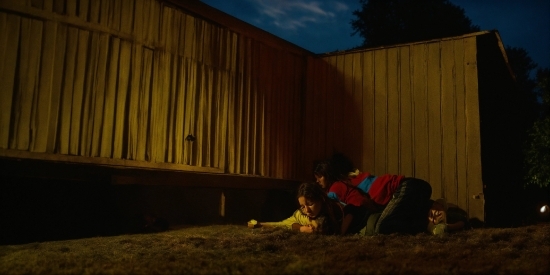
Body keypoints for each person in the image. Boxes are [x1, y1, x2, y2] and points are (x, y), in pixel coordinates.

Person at [314, 153, 434, 235]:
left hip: (406, 188)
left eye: (320, 177)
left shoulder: (338, 185)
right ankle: (437, 211)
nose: (317, 181)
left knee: (383, 226)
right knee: (400, 216)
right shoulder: (352, 179)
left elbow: (326, 203)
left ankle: (426, 225)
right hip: (415, 188)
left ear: (329, 175)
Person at [252, 182, 345, 235]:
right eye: (303, 206)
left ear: (321, 199)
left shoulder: (333, 209)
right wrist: (301, 228)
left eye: (310, 204)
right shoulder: (302, 213)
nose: (307, 210)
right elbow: (285, 224)